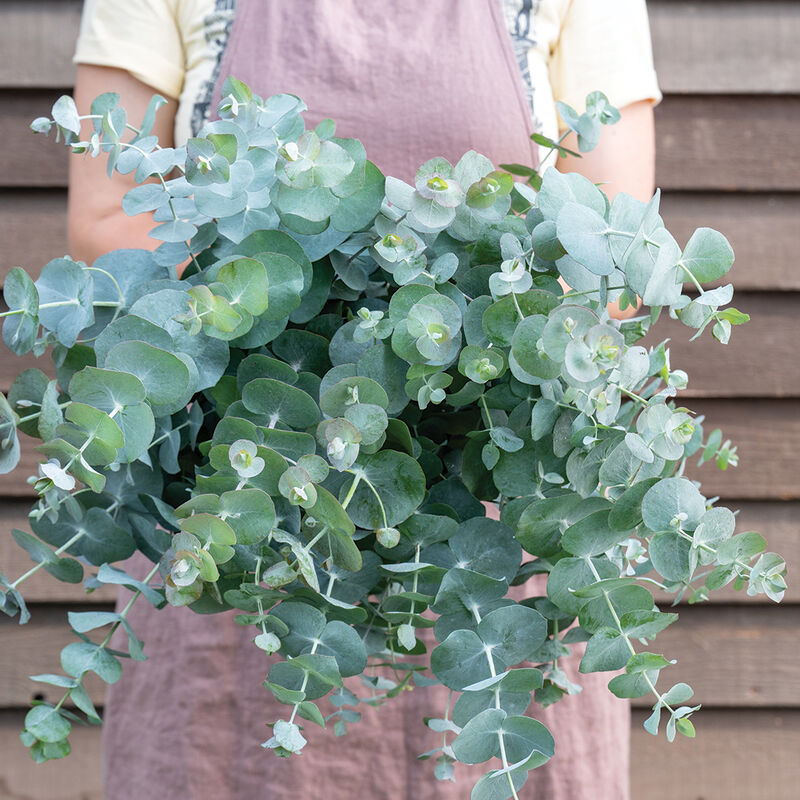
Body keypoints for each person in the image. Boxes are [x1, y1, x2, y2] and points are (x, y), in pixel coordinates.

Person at [69, 2, 661, 797]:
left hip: (498, 566)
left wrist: (432, 334)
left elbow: (617, 260)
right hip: (235, 531)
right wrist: (303, 301)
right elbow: (103, 221)